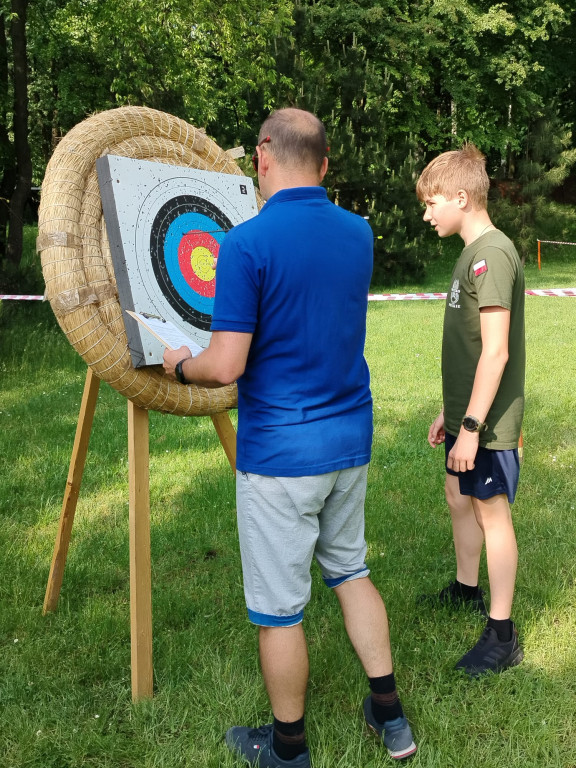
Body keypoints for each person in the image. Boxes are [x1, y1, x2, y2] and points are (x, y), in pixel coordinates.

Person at [163, 108, 416, 766]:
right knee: (351, 570)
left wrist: (179, 365)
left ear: (262, 156)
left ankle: (288, 748)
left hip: (281, 456)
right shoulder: (358, 233)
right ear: (327, 163)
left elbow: (225, 366)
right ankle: (390, 715)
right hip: (348, 440)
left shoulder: (245, 245)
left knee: (279, 611)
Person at [416, 144, 525, 677]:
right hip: (467, 416)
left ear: (461, 197)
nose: (427, 212)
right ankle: (465, 588)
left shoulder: (493, 252)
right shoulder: (469, 252)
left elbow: (497, 350)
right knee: (458, 496)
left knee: (491, 512)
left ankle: (502, 634)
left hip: (488, 425)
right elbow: (469, 348)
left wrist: (472, 428)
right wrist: (450, 411)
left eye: (432, 202)